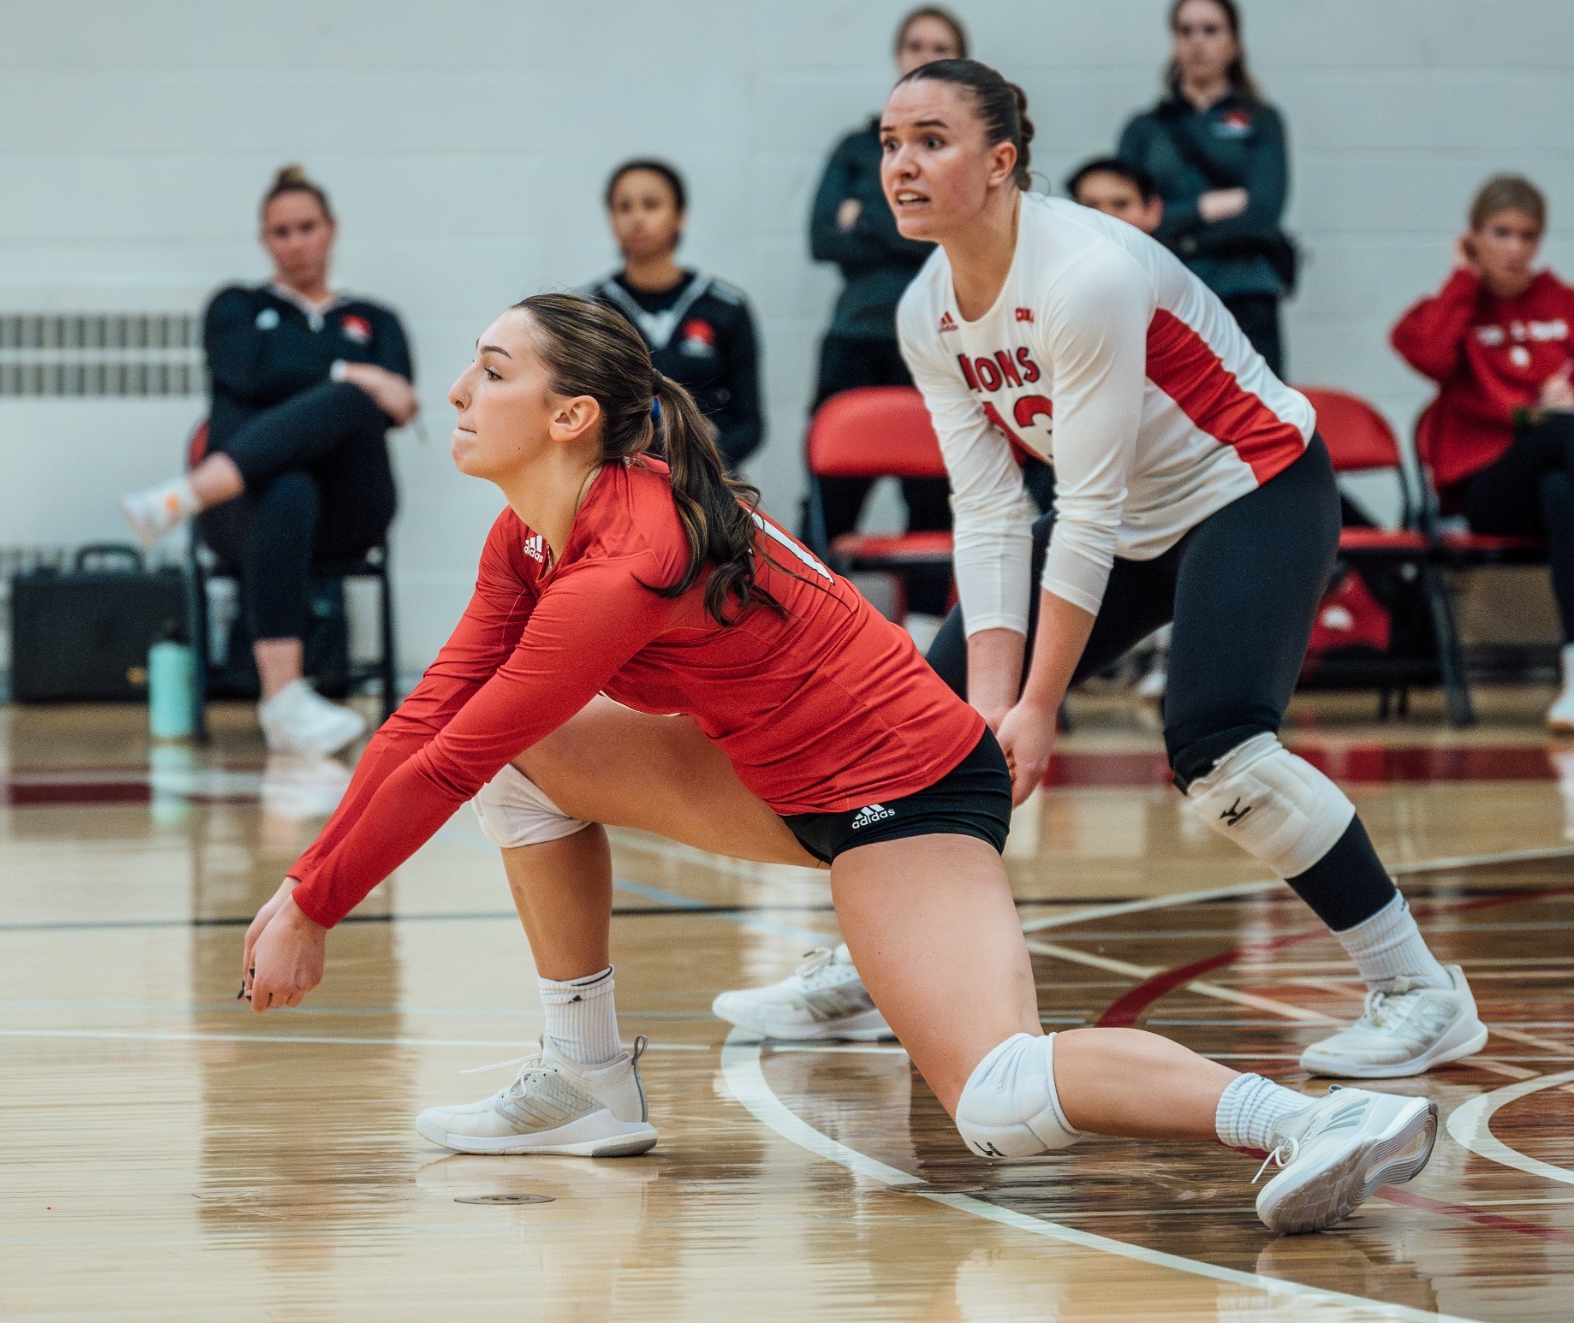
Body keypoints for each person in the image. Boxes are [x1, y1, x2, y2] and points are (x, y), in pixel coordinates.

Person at [237, 290, 1438, 1235]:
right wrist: (306, 887)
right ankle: (586, 1080)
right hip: (776, 778)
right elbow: (427, 727)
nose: (455, 387)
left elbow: (451, 757)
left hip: (907, 797)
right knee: (522, 763)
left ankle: (1311, 1119)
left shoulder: (628, 559)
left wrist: (317, 908)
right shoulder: (533, 536)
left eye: (491, 372)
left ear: (570, 418)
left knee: (997, 1097)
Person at [714, 59, 1487, 1088]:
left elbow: (1087, 511)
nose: (899, 165)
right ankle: (879, 968)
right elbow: (989, 510)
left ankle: (1416, 991)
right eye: (890, 142)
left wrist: (1035, 706)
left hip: (1248, 488)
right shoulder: (921, 312)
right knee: (920, 724)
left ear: (1000, 161)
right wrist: (985, 705)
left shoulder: (1086, 271)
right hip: (1121, 520)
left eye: (930, 141)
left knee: (1219, 750)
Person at [119, 167, 417, 757]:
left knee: (348, 406)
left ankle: (185, 494)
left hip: (350, 511)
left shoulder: (377, 319)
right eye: (280, 231)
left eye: (307, 227)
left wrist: (337, 382)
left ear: (331, 231)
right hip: (247, 516)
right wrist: (353, 369)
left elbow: (400, 404)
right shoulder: (234, 307)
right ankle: (284, 701)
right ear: (264, 240)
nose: (295, 242)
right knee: (288, 485)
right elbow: (245, 371)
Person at [807, 6, 969, 641]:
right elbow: (822, 237)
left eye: (941, 46)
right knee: (830, 502)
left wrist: (867, 219)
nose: (924, 54)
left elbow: (962, 233)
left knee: (934, 498)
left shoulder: (967, 152)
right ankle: (816, 640)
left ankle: (929, 639)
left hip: (938, 341)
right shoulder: (856, 147)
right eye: (915, 44)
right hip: (855, 340)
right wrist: (915, 220)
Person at [1393, 175, 1574, 730]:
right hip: (1488, 488)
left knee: (1563, 491)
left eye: (1528, 235)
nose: (1515, 248)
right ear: (1473, 238)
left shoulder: (1564, 305)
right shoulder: (1454, 306)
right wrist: (1462, 281)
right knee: (1562, 436)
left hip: (1557, 486)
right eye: (1500, 233)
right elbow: (1428, 356)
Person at [1118, 0, 1293, 375]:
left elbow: (1263, 212)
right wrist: (1205, 208)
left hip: (1245, 293)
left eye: (1211, 30)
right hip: (1164, 296)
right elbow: (1123, 218)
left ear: (1234, 43)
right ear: (1174, 41)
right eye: (1186, 30)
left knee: (1260, 420)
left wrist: (1172, 221)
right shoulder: (1145, 128)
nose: (1198, 41)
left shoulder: (1262, 121)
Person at [588, 160, 762, 471]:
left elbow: (751, 424)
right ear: (611, 219)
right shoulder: (588, 310)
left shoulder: (725, 306)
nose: (637, 218)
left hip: (707, 479)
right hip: (616, 479)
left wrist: (698, 465)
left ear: (680, 216)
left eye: (651, 204)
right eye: (623, 207)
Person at [1067, 157, 1163, 235]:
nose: (1106, 215)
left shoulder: (1172, 258)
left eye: (1120, 204)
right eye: (1090, 206)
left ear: (1153, 210)